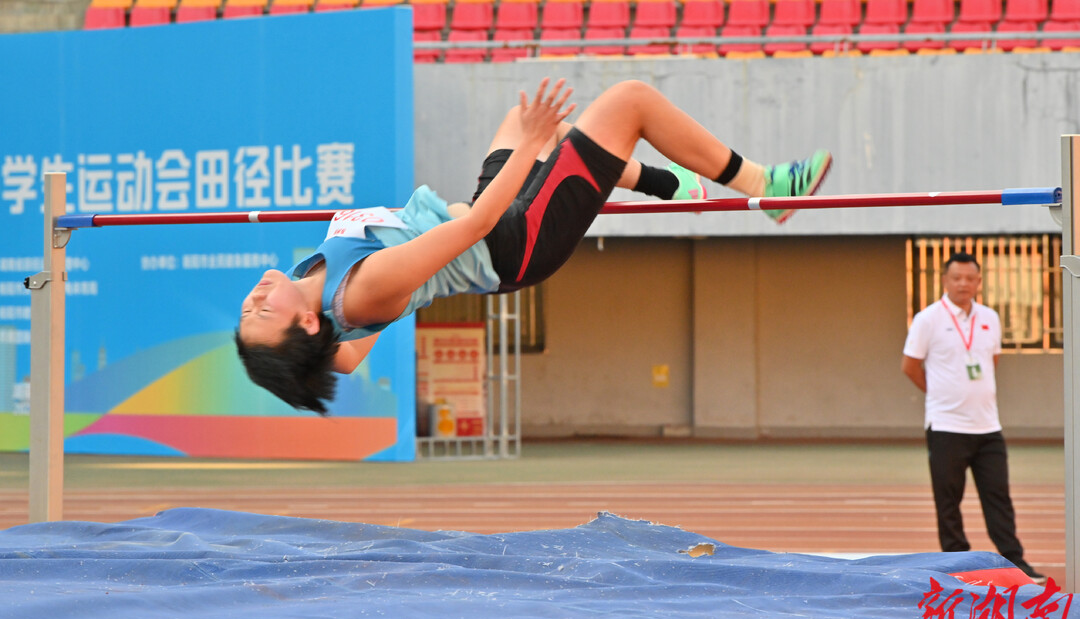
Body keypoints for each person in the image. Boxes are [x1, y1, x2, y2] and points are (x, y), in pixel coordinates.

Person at [236, 78, 832, 414]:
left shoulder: (318, 294)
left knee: (532, 125)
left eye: (247, 310)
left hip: (491, 214)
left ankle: (666, 184)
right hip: (514, 241)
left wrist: (309, 365)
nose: (256, 297)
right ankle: (765, 187)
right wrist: (529, 148)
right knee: (629, 102)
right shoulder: (362, 292)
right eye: (265, 313)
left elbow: (339, 355)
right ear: (308, 324)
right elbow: (467, 232)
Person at [901, 252, 1046, 585]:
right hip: (947, 426)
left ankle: (1015, 563)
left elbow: (991, 361)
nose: (963, 284)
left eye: (970, 278)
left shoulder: (990, 317)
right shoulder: (928, 319)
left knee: (999, 497)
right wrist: (939, 392)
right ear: (945, 280)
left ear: (978, 282)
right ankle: (958, 565)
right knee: (948, 502)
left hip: (988, 426)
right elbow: (909, 366)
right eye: (956, 278)